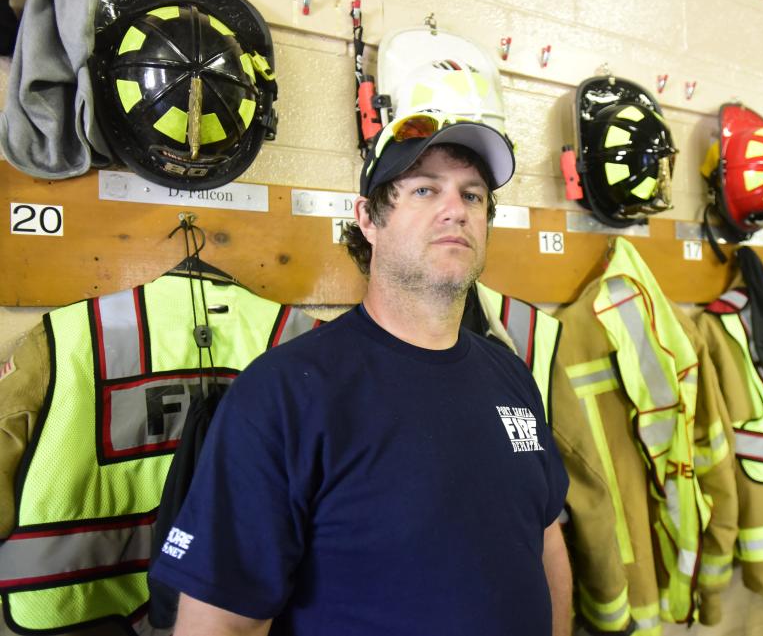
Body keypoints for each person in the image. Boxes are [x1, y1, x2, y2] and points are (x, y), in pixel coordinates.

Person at [148, 114, 572, 636]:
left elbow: (547, 539)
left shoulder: (511, 374)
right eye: (423, 190)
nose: (455, 211)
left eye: (473, 195)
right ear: (369, 219)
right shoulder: (283, 394)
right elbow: (218, 625)